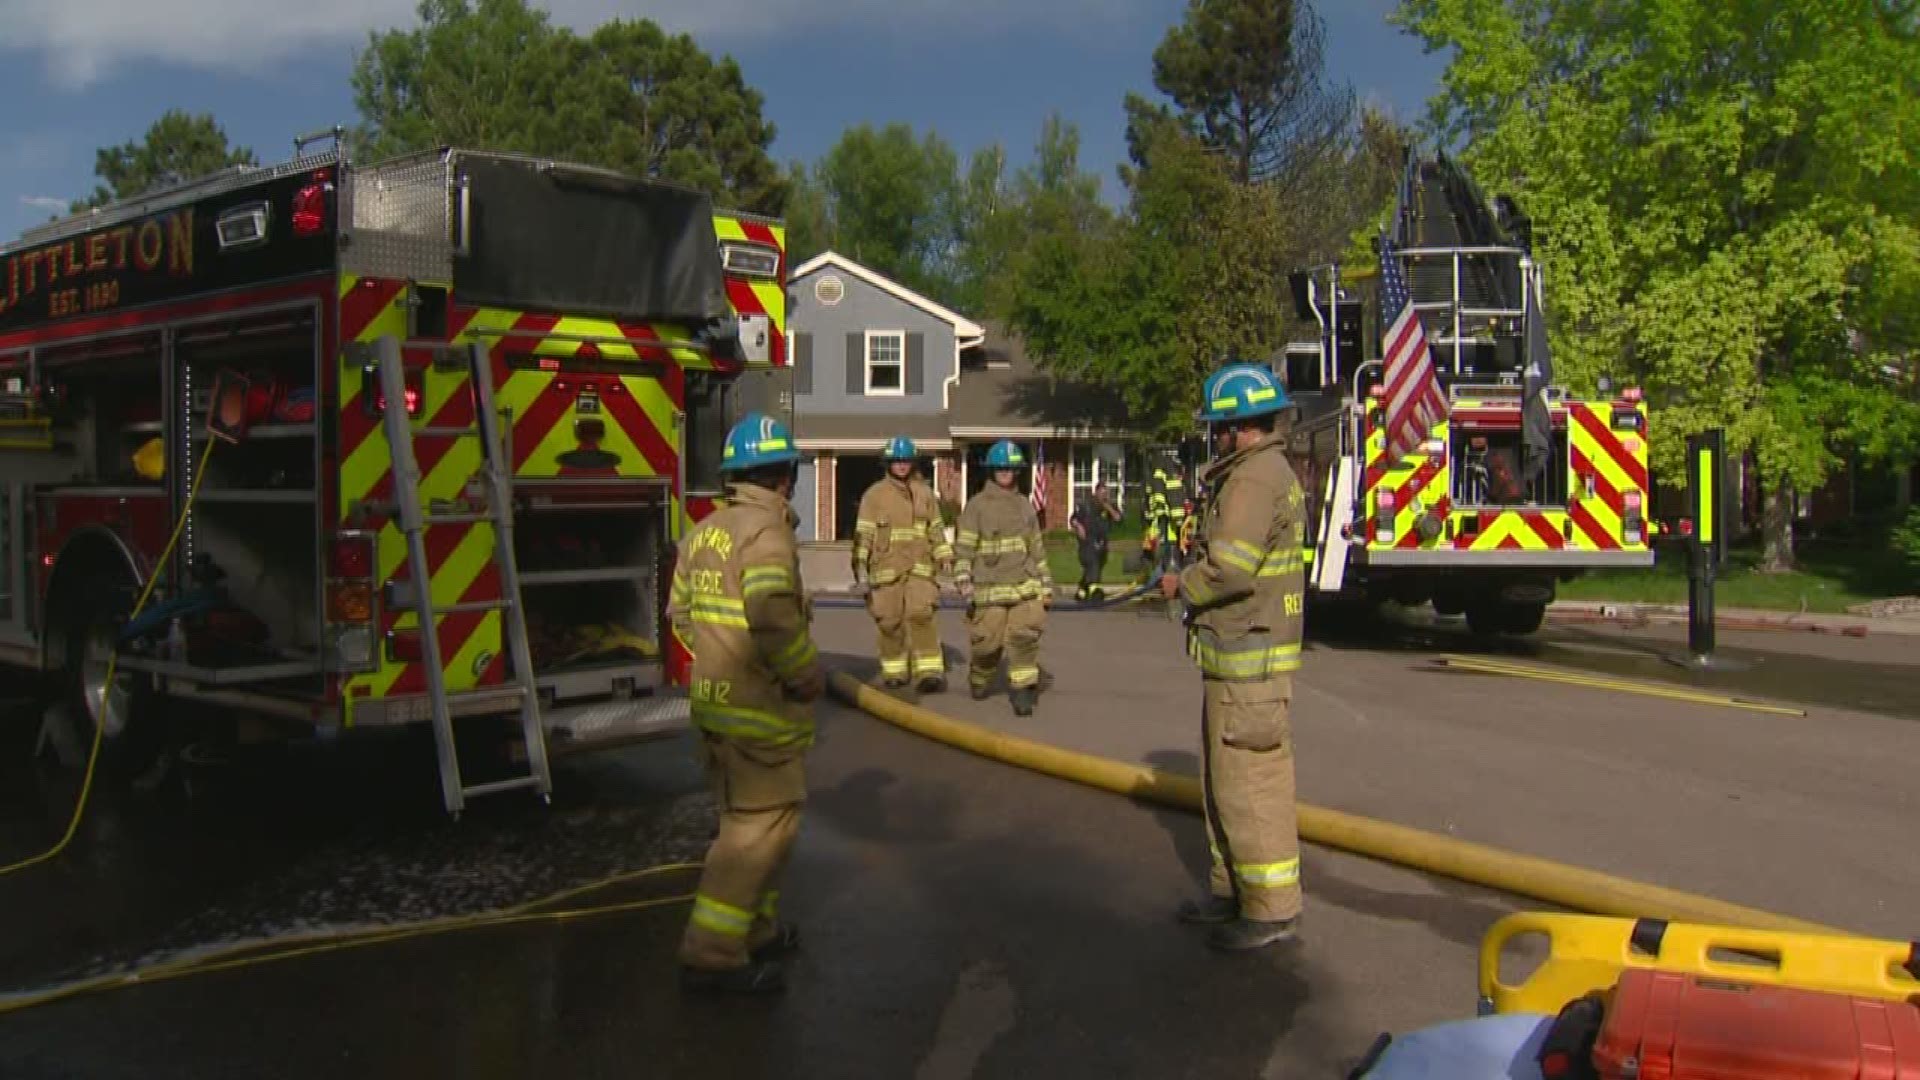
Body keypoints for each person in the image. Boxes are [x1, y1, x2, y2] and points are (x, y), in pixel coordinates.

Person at [669, 412, 824, 994]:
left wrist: (717, 657)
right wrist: (802, 674)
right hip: (759, 714)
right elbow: (771, 617)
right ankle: (710, 954)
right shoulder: (767, 534)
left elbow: (681, 615)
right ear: (785, 476)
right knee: (756, 832)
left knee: (765, 825)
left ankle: (755, 930)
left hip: (716, 707)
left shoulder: (705, 530)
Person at [1160, 362, 1307, 952]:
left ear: (1238, 427)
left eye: (1219, 428)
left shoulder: (1253, 481)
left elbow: (1231, 568)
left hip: (1250, 658)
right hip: (1237, 658)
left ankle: (1271, 911)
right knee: (1225, 781)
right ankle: (1233, 893)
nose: (1214, 439)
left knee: (1251, 785)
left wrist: (1183, 586)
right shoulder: (1266, 472)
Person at [953, 440, 1053, 716]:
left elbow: (1037, 550)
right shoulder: (977, 506)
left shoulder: (1025, 506)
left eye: (1010, 468)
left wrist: (1046, 584)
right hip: (989, 590)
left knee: (1024, 639)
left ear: (1017, 471)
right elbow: (963, 550)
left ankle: (1023, 693)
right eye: (1000, 468)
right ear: (992, 471)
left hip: (1024, 587)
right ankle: (980, 675)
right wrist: (964, 581)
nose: (1006, 472)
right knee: (988, 645)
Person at [851, 436, 953, 693]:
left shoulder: (925, 494)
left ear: (912, 462)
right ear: (888, 463)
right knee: (889, 621)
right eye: (896, 461)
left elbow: (936, 529)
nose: (901, 466)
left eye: (905, 461)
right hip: (886, 571)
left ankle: (929, 671)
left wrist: (944, 556)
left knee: (921, 615)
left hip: (920, 569)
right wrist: (860, 568)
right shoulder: (874, 496)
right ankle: (895, 670)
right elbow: (863, 534)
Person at [1069, 481, 1120, 601]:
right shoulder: (1086, 505)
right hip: (1087, 541)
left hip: (1102, 542)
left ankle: (1081, 590)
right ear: (1095, 492)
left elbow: (1118, 518)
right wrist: (1079, 526)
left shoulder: (1109, 507)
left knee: (1096, 566)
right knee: (1093, 564)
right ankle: (1094, 591)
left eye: (1105, 493)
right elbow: (1073, 519)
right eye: (1101, 493)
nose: (1103, 496)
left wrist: (1108, 508)